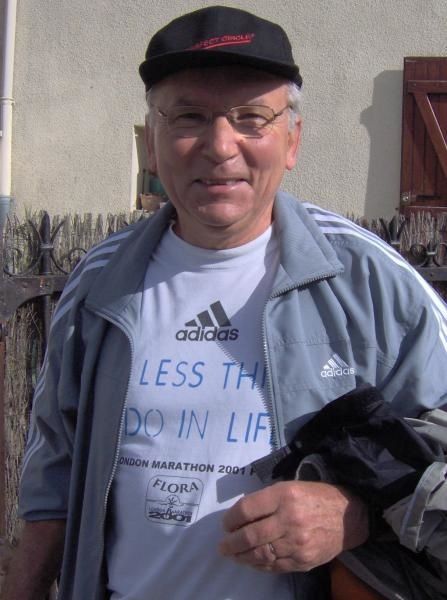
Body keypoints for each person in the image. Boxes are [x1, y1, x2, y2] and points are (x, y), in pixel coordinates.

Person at [3, 6, 447, 600]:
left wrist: (356, 512)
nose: (219, 146)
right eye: (189, 117)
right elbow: (53, 478)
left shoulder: (370, 282)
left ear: (292, 140)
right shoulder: (100, 284)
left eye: (251, 118)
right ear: (152, 143)